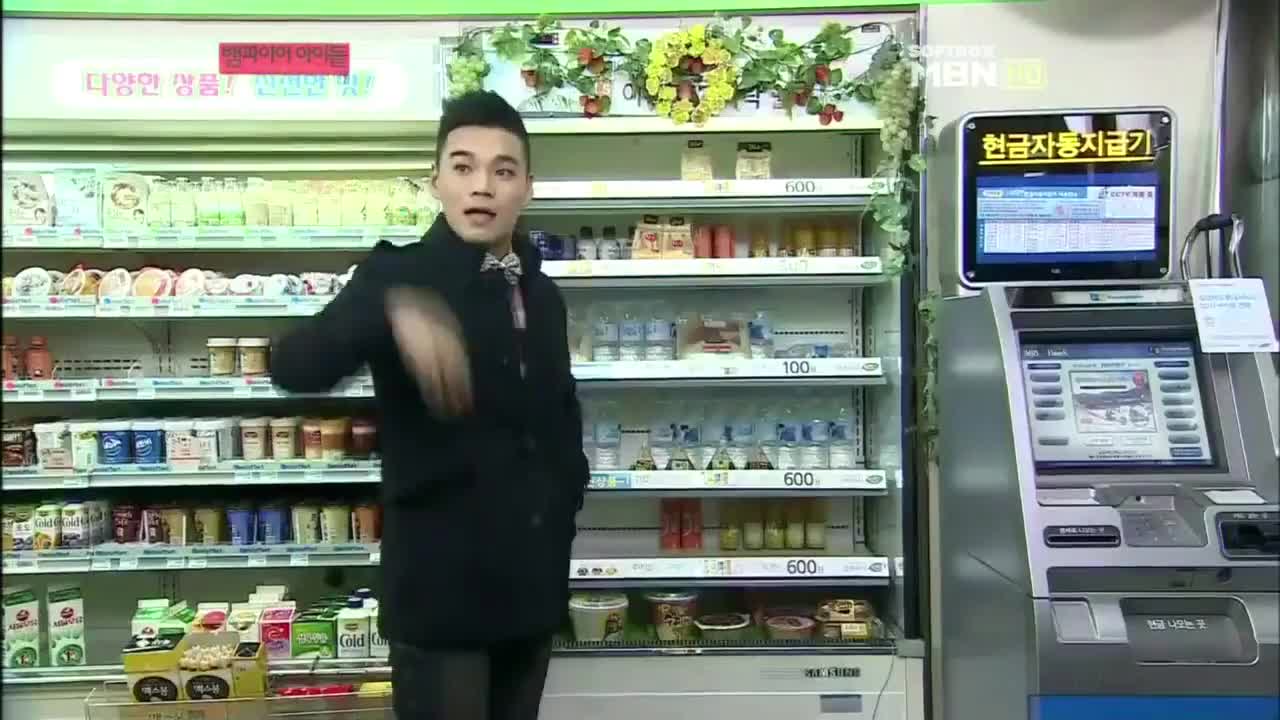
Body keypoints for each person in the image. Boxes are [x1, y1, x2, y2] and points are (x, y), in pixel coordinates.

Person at [271, 90, 588, 720]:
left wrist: (564, 503)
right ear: (436, 181)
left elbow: (559, 413)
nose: (482, 186)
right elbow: (293, 367)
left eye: (503, 170)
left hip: (530, 588)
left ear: (527, 189)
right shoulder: (396, 278)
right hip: (442, 596)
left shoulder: (540, 292)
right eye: (463, 167)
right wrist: (389, 313)